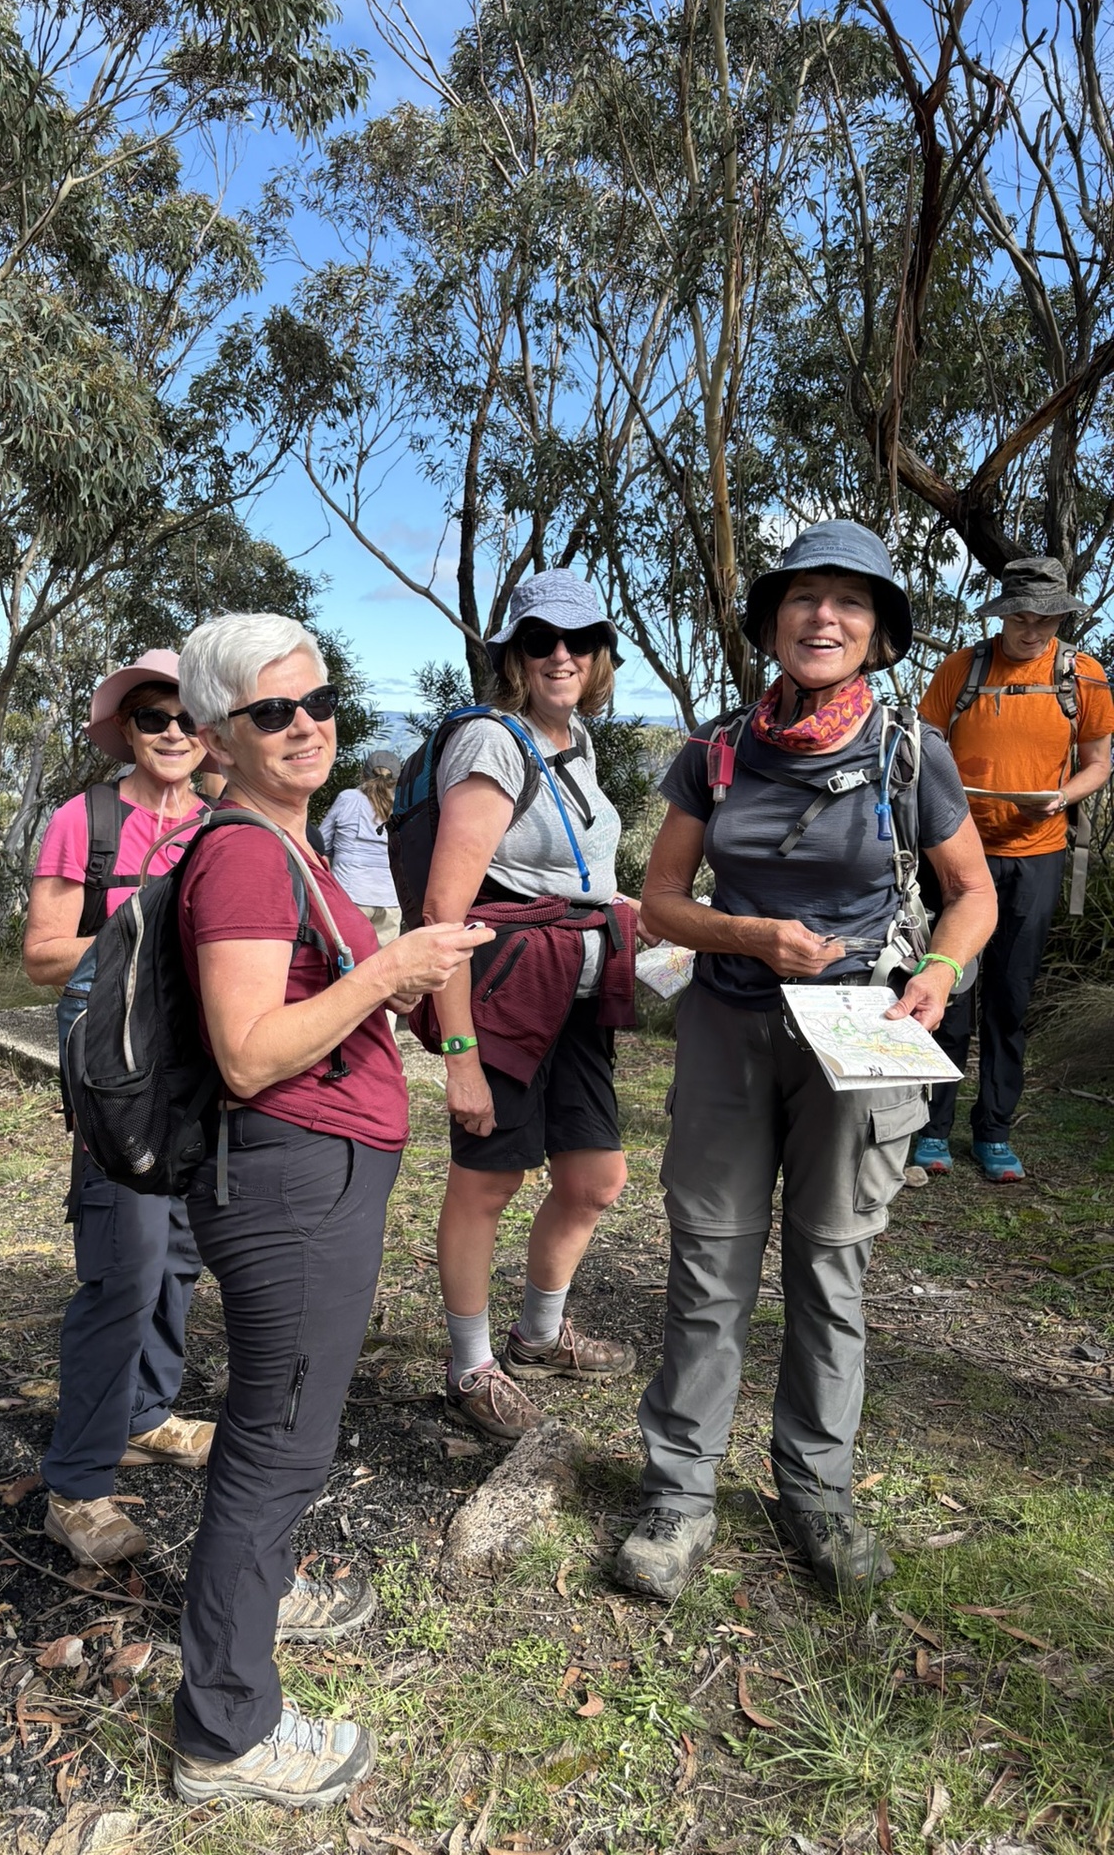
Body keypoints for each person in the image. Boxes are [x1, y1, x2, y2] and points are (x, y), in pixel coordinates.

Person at [618, 521, 996, 1602]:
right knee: (710, 1265)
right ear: (773, 620)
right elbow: (660, 903)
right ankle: (680, 1495)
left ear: (878, 631)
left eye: (850, 602)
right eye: (802, 598)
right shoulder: (716, 751)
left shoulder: (909, 752)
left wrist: (940, 974)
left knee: (832, 1268)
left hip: (862, 1037)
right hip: (729, 1030)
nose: (823, 617)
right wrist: (751, 937)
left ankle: (816, 1496)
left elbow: (973, 893)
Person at [169, 613, 493, 1809]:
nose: (305, 725)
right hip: (288, 1180)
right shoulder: (248, 857)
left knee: (285, 1427)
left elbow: (321, 1002)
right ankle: (225, 1731)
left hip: (314, 1172)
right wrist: (392, 971)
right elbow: (249, 1053)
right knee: (279, 1440)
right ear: (216, 738)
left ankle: (260, 1600)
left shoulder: (285, 841)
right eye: (272, 712)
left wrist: (403, 987)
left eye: (317, 702)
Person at [422, 569, 653, 1444]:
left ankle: (539, 1335)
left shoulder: (575, 738)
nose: (562, 655)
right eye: (540, 640)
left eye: (579, 640)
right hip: (507, 995)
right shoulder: (492, 743)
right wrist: (460, 1058)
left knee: (595, 1180)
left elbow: (572, 876)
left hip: (578, 996)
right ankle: (469, 1366)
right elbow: (445, 912)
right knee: (488, 1181)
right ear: (514, 655)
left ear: (600, 655)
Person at [23, 650, 213, 1569]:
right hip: (115, 1067)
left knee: (180, 1248)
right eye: (152, 718)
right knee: (125, 1260)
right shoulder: (86, 821)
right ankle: (77, 1485)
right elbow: (42, 957)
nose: (172, 732)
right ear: (125, 732)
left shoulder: (223, 822)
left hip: (200, 1057)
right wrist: (141, 921)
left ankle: (147, 1412)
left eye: (187, 717)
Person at [914, 558, 1113, 1182]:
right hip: (955, 852)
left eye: (1045, 620)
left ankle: (994, 1131)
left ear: (1062, 617)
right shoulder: (962, 669)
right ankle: (930, 1128)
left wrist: (1062, 797)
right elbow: (922, 747)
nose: (1032, 631)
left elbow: (1098, 763)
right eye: (1021, 619)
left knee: (1010, 997)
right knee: (948, 988)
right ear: (1001, 616)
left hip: (1037, 853)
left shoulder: (1083, 676)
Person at [319, 749, 403, 948]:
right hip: (390, 898)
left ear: (363, 774)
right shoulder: (400, 806)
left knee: (347, 959)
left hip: (349, 894)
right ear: (396, 781)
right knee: (385, 963)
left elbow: (320, 843)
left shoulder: (348, 798)